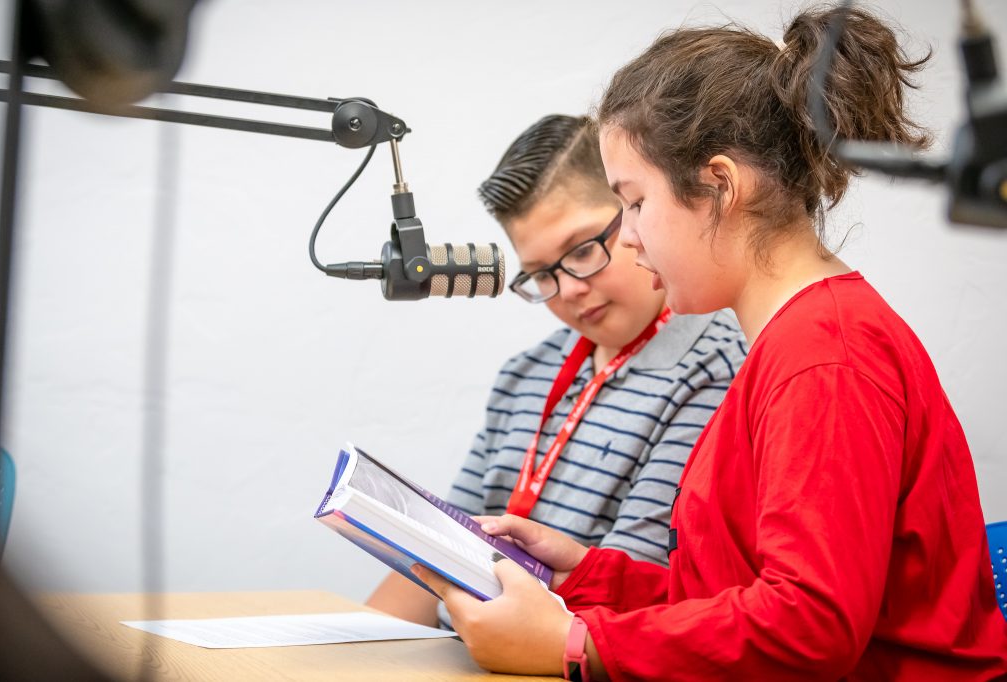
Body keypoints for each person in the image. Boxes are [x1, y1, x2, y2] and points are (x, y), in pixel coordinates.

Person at [411, 6, 1007, 680]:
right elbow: (728, 601)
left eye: (634, 202)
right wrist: (584, 576)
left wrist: (578, 647)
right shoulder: (792, 343)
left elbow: (810, 627)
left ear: (719, 187)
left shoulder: (825, 357)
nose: (629, 237)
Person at [366, 114, 747, 628]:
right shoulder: (526, 375)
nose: (567, 290)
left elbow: (638, 585)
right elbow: (439, 547)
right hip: (468, 647)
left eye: (584, 251)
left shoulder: (713, 368)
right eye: (541, 274)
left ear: (635, 218)